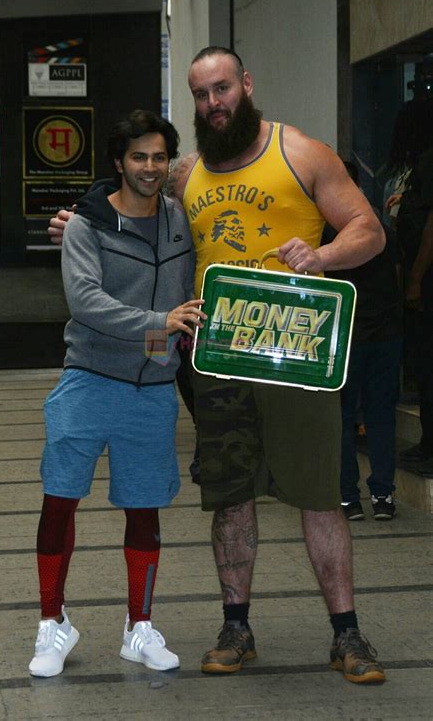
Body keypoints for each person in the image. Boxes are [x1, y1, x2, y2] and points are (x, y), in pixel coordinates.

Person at [49, 47, 387, 684]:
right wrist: (81, 220)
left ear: (246, 85)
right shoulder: (186, 172)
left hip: (297, 354)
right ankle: (237, 627)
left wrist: (323, 255)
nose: (213, 104)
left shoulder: (301, 151)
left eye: (222, 89)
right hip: (221, 359)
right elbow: (129, 193)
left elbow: (369, 229)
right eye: (201, 94)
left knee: (319, 496)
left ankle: (348, 634)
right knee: (231, 498)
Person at [30, 109, 206, 678]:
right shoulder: (85, 225)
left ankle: (140, 628)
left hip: (152, 389)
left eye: (159, 157)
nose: (150, 168)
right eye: (139, 157)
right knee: (59, 500)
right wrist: (163, 320)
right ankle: (52, 624)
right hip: (87, 379)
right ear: (118, 163)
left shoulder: (182, 221)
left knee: (144, 508)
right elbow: (85, 303)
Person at [323, 161, 402, 521]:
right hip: (382, 335)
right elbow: (396, 280)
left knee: (341, 419)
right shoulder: (380, 228)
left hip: (345, 341)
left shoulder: (324, 235)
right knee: (381, 417)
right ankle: (382, 495)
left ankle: (348, 497)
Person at [386, 99, 433, 477]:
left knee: (426, 363)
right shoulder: (423, 166)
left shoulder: (428, 160)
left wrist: (415, 279)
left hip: (427, 283)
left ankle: (430, 446)